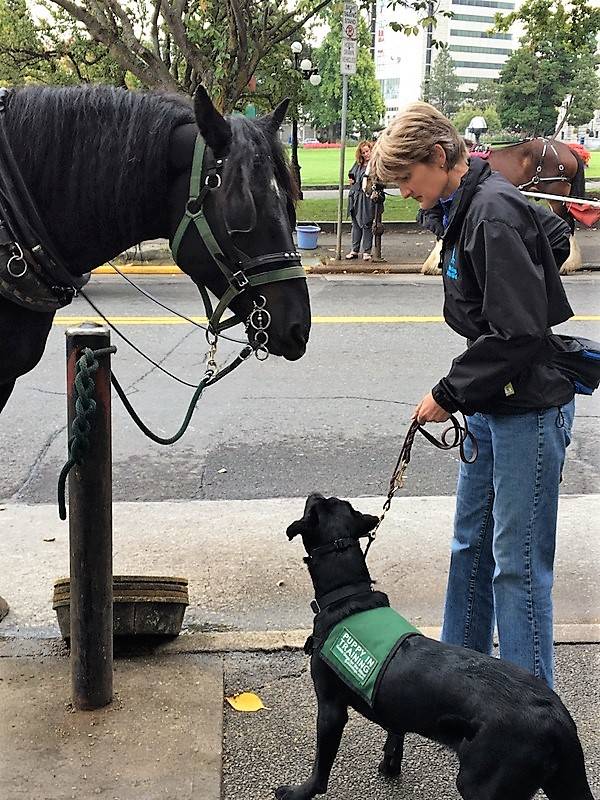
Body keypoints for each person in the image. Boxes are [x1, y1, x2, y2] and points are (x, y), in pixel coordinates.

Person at [371, 102, 576, 688]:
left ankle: (529, 711)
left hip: (528, 412)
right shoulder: (471, 207)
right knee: (470, 550)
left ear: (438, 158)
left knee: (516, 569)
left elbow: (519, 332)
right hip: (494, 402)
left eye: (408, 179)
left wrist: (448, 392)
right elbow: (552, 238)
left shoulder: (491, 215)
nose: (407, 193)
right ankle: (458, 689)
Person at [346, 140, 376, 261]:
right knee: (355, 224)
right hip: (354, 195)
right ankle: (355, 249)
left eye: (367, 151)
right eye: (363, 152)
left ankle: (367, 251)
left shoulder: (373, 165)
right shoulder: (358, 164)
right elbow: (351, 173)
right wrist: (351, 179)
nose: (366, 154)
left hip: (365, 196)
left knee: (366, 223)